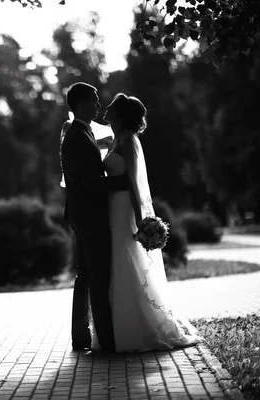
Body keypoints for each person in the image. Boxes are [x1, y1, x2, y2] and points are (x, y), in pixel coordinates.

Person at [99, 93, 201, 352]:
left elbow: (133, 182)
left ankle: (137, 328)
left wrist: (140, 220)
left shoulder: (128, 141)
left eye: (112, 107)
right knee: (118, 261)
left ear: (120, 115)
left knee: (126, 258)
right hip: (113, 206)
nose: (106, 108)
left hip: (124, 208)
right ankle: (120, 325)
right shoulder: (116, 140)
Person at [60, 82, 129, 352]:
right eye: (95, 100)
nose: (98, 105)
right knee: (97, 277)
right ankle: (106, 339)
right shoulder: (77, 135)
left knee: (86, 275)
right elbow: (90, 183)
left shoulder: (81, 132)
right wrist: (124, 183)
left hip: (80, 213)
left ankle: (82, 336)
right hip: (89, 215)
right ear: (82, 104)